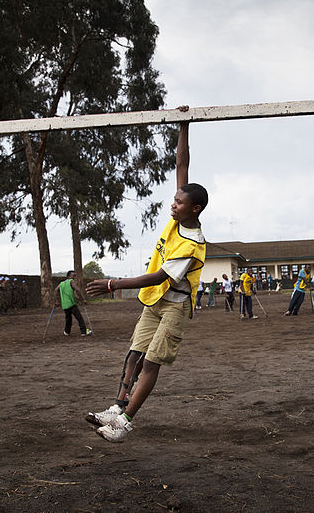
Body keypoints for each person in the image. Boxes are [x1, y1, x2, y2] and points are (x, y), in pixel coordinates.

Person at [84, 110, 207, 443]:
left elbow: (157, 278)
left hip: (173, 307)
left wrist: (113, 284)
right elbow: (182, 164)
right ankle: (117, 405)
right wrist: (184, 126)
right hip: (154, 304)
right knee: (134, 355)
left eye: (179, 202)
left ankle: (125, 422)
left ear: (194, 209)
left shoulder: (192, 244)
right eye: (174, 199)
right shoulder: (178, 219)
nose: (173, 204)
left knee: (152, 363)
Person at [55, 270, 92, 336]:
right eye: (73, 275)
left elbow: (55, 290)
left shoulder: (61, 283)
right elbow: (77, 290)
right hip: (71, 304)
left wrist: (56, 301)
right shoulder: (72, 281)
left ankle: (67, 332)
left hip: (65, 305)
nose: (75, 277)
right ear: (69, 276)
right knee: (79, 317)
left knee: (68, 318)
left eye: (75, 275)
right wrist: (83, 299)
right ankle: (83, 332)